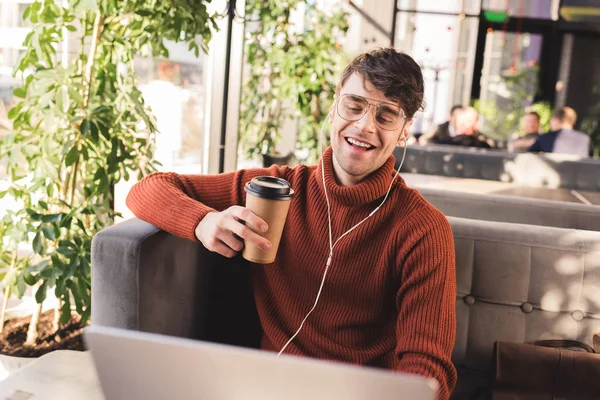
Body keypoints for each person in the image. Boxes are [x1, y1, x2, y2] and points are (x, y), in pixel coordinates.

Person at [126, 48, 457, 400]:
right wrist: (203, 222)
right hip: (265, 387)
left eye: (387, 115)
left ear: (405, 131)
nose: (364, 126)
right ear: (334, 108)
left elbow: (427, 371)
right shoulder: (276, 189)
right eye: (354, 105)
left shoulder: (423, 230)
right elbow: (147, 188)